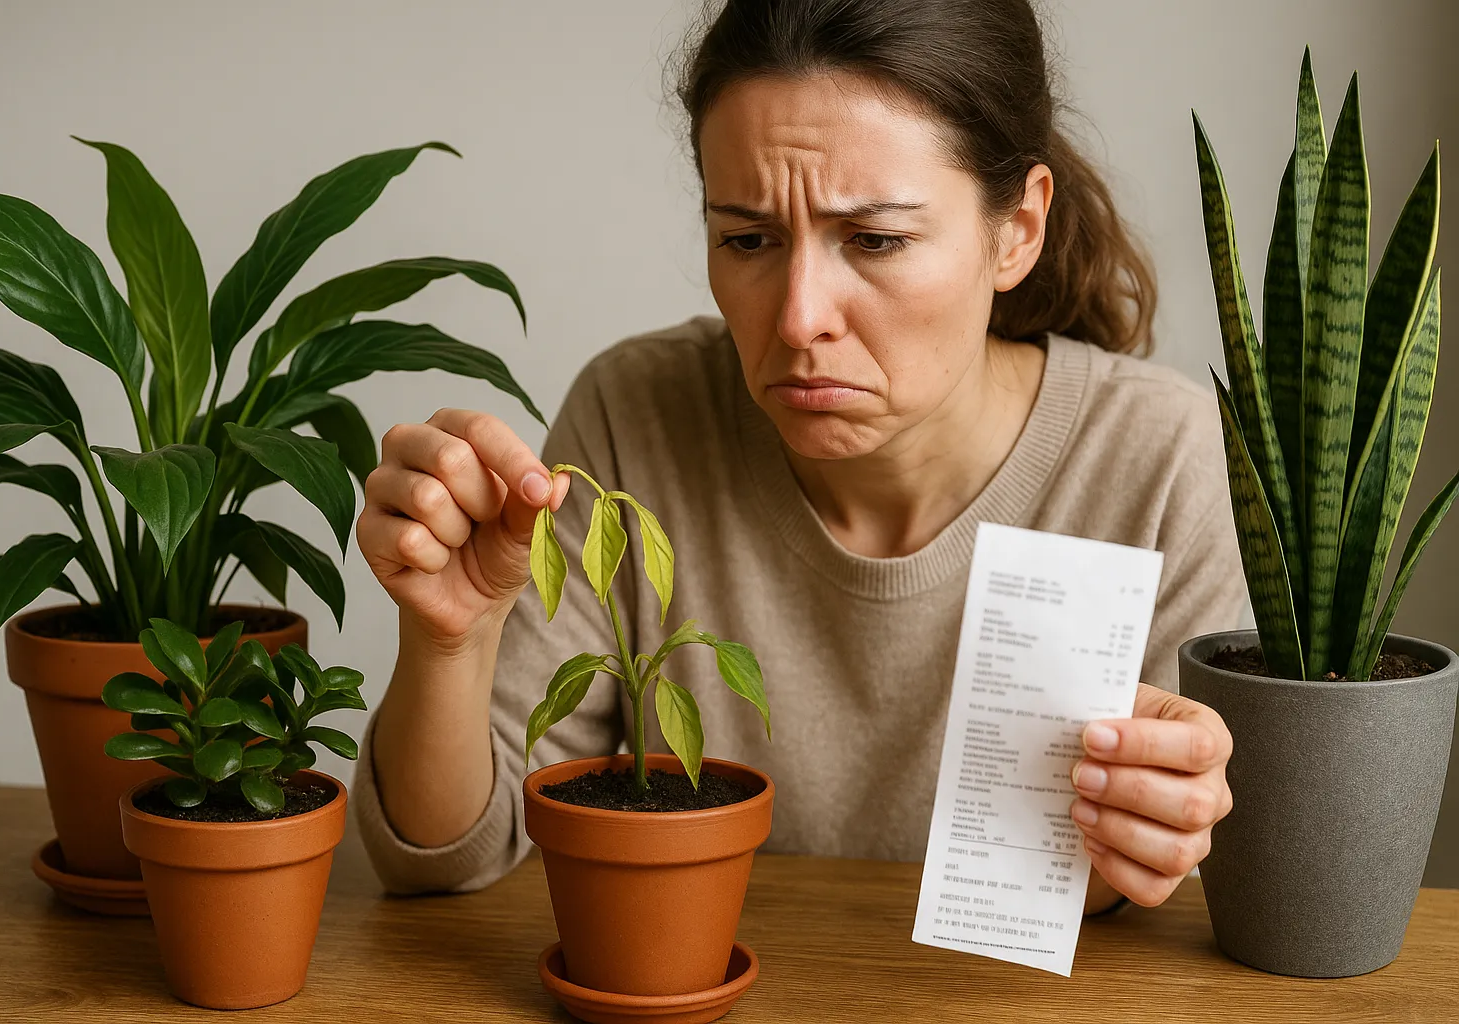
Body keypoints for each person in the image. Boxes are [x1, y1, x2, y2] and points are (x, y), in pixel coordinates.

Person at [350, 0, 1245, 915]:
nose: (797, 318)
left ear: (1016, 230)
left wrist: (1164, 825)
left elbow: (1198, 881)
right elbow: (443, 858)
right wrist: (449, 639)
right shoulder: (635, 414)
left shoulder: (1162, 462)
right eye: (748, 240)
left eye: (876, 240)